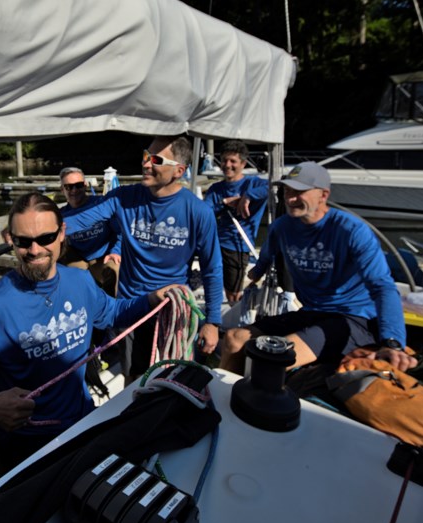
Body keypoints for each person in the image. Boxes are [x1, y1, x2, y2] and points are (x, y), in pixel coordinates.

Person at [0, 192, 182, 470]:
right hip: (28, 443)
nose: (35, 250)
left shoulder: (81, 280)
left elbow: (111, 313)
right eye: (23, 241)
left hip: (83, 423)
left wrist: (151, 299)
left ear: (62, 233)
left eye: (45, 238)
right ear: (9, 239)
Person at [218, 161, 416, 374]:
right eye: (287, 191)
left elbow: (382, 287)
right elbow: (267, 255)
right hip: (311, 312)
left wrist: (393, 342)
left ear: (323, 195)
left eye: (299, 192)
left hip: (352, 317)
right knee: (234, 339)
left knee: (274, 356)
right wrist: (251, 278)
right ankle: (217, 401)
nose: (291, 198)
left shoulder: (351, 231)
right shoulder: (282, 227)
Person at [62, 136, 225, 381]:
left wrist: (213, 322)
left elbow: (212, 268)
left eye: (156, 160)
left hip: (172, 307)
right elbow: (83, 218)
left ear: (179, 170)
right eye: (145, 156)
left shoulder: (199, 212)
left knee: (176, 375)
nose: (146, 164)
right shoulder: (123, 198)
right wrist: (39, 229)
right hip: (131, 306)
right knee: (134, 377)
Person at [202, 140, 269, 303]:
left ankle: (234, 320)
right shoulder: (216, 189)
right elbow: (204, 212)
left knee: (234, 293)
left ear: (243, 163)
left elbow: (273, 187)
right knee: (215, 287)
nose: (227, 165)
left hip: (238, 247)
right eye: (224, 160)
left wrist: (247, 197)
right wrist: (224, 203)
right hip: (216, 245)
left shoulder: (254, 183)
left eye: (233, 161)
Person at [57, 166, 120, 297]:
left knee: (114, 270)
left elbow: (120, 231)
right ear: (62, 189)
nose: (74, 190)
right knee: (73, 281)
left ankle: (113, 310)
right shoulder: (60, 215)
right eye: (69, 187)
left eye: (78, 185)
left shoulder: (101, 204)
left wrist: (116, 251)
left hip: (104, 255)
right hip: (79, 258)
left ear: (85, 185)